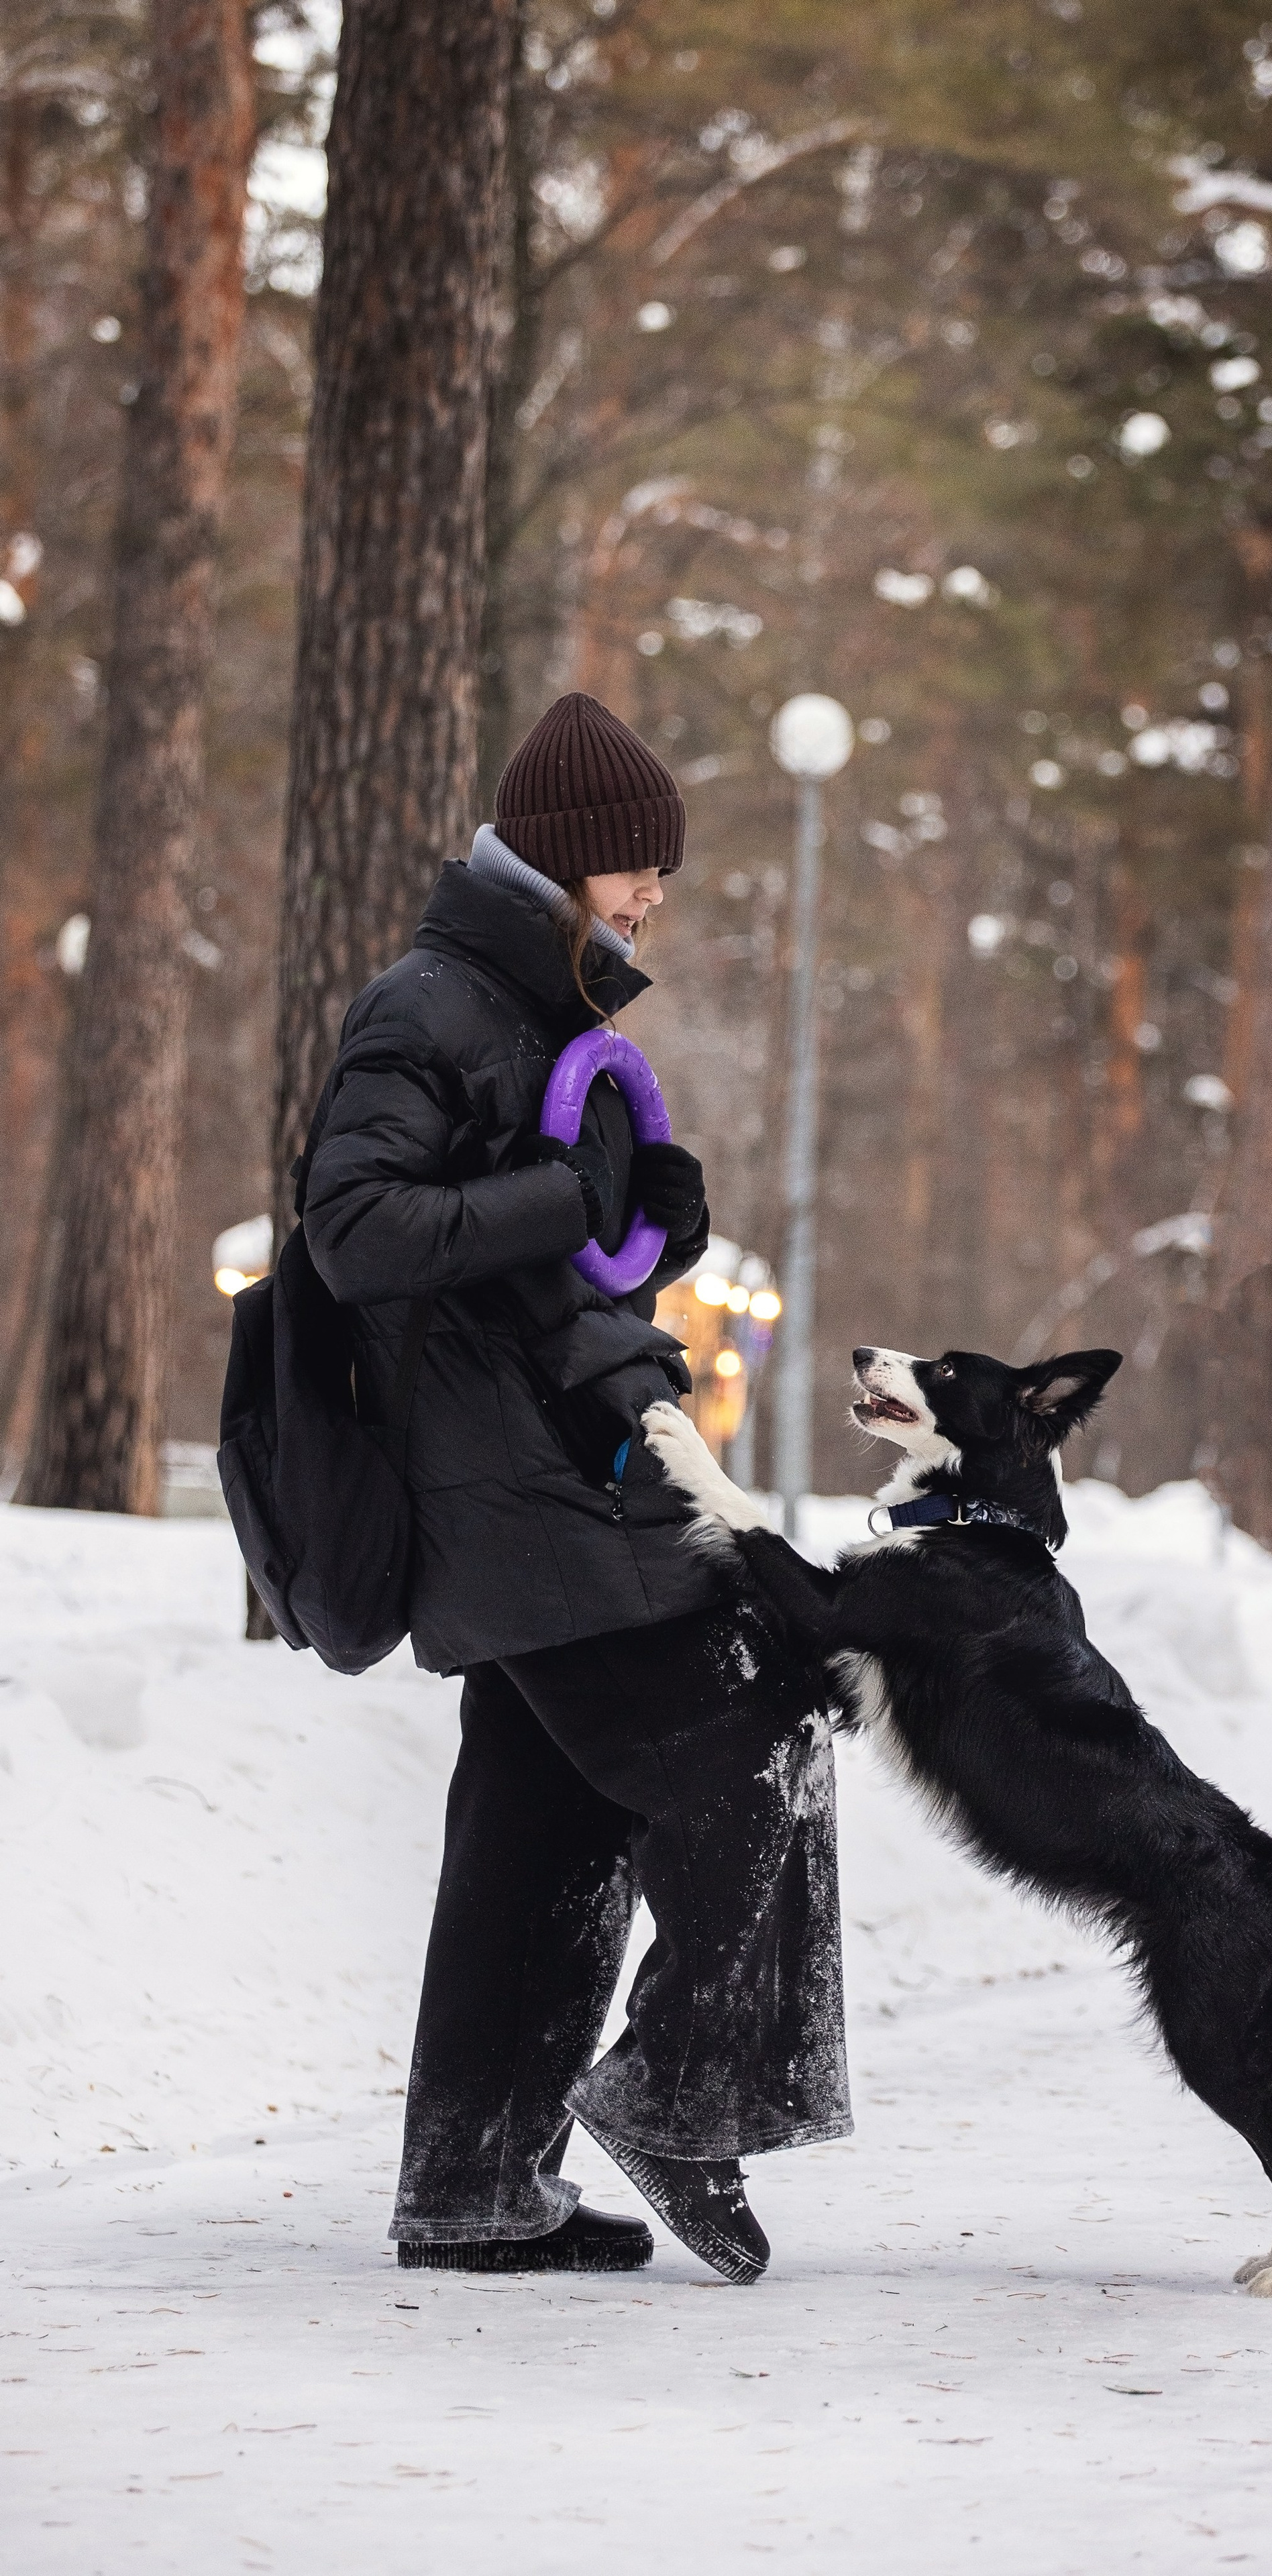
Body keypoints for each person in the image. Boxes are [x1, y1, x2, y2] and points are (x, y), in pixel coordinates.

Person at [298, 693, 851, 2286]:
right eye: (632, 866)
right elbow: (358, 1231)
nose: (654, 894)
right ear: (557, 859)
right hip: (512, 1490)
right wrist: (563, 1195)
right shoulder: (433, 1002)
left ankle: (476, 2184)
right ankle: (681, 2089)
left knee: (541, 1826)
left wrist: (645, 1225)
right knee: (761, 1732)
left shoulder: (526, 1009)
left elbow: (546, 1253)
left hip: (541, 1470)